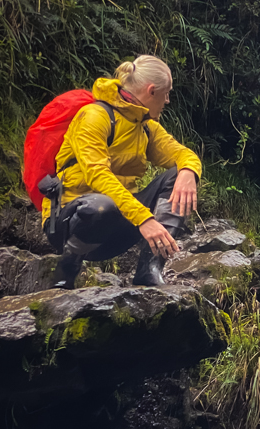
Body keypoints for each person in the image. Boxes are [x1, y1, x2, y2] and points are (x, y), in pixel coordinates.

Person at [42, 55, 202, 288]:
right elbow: (97, 176)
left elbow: (181, 153)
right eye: (167, 94)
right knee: (101, 206)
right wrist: (144, 218)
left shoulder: (146, 127)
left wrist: (189, 171)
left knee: (179, 174)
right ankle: (69, 264)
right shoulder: (94, 116)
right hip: (72, 225)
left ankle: (150, 268)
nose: (168, 101)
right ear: (151, 91)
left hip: (119, 224)